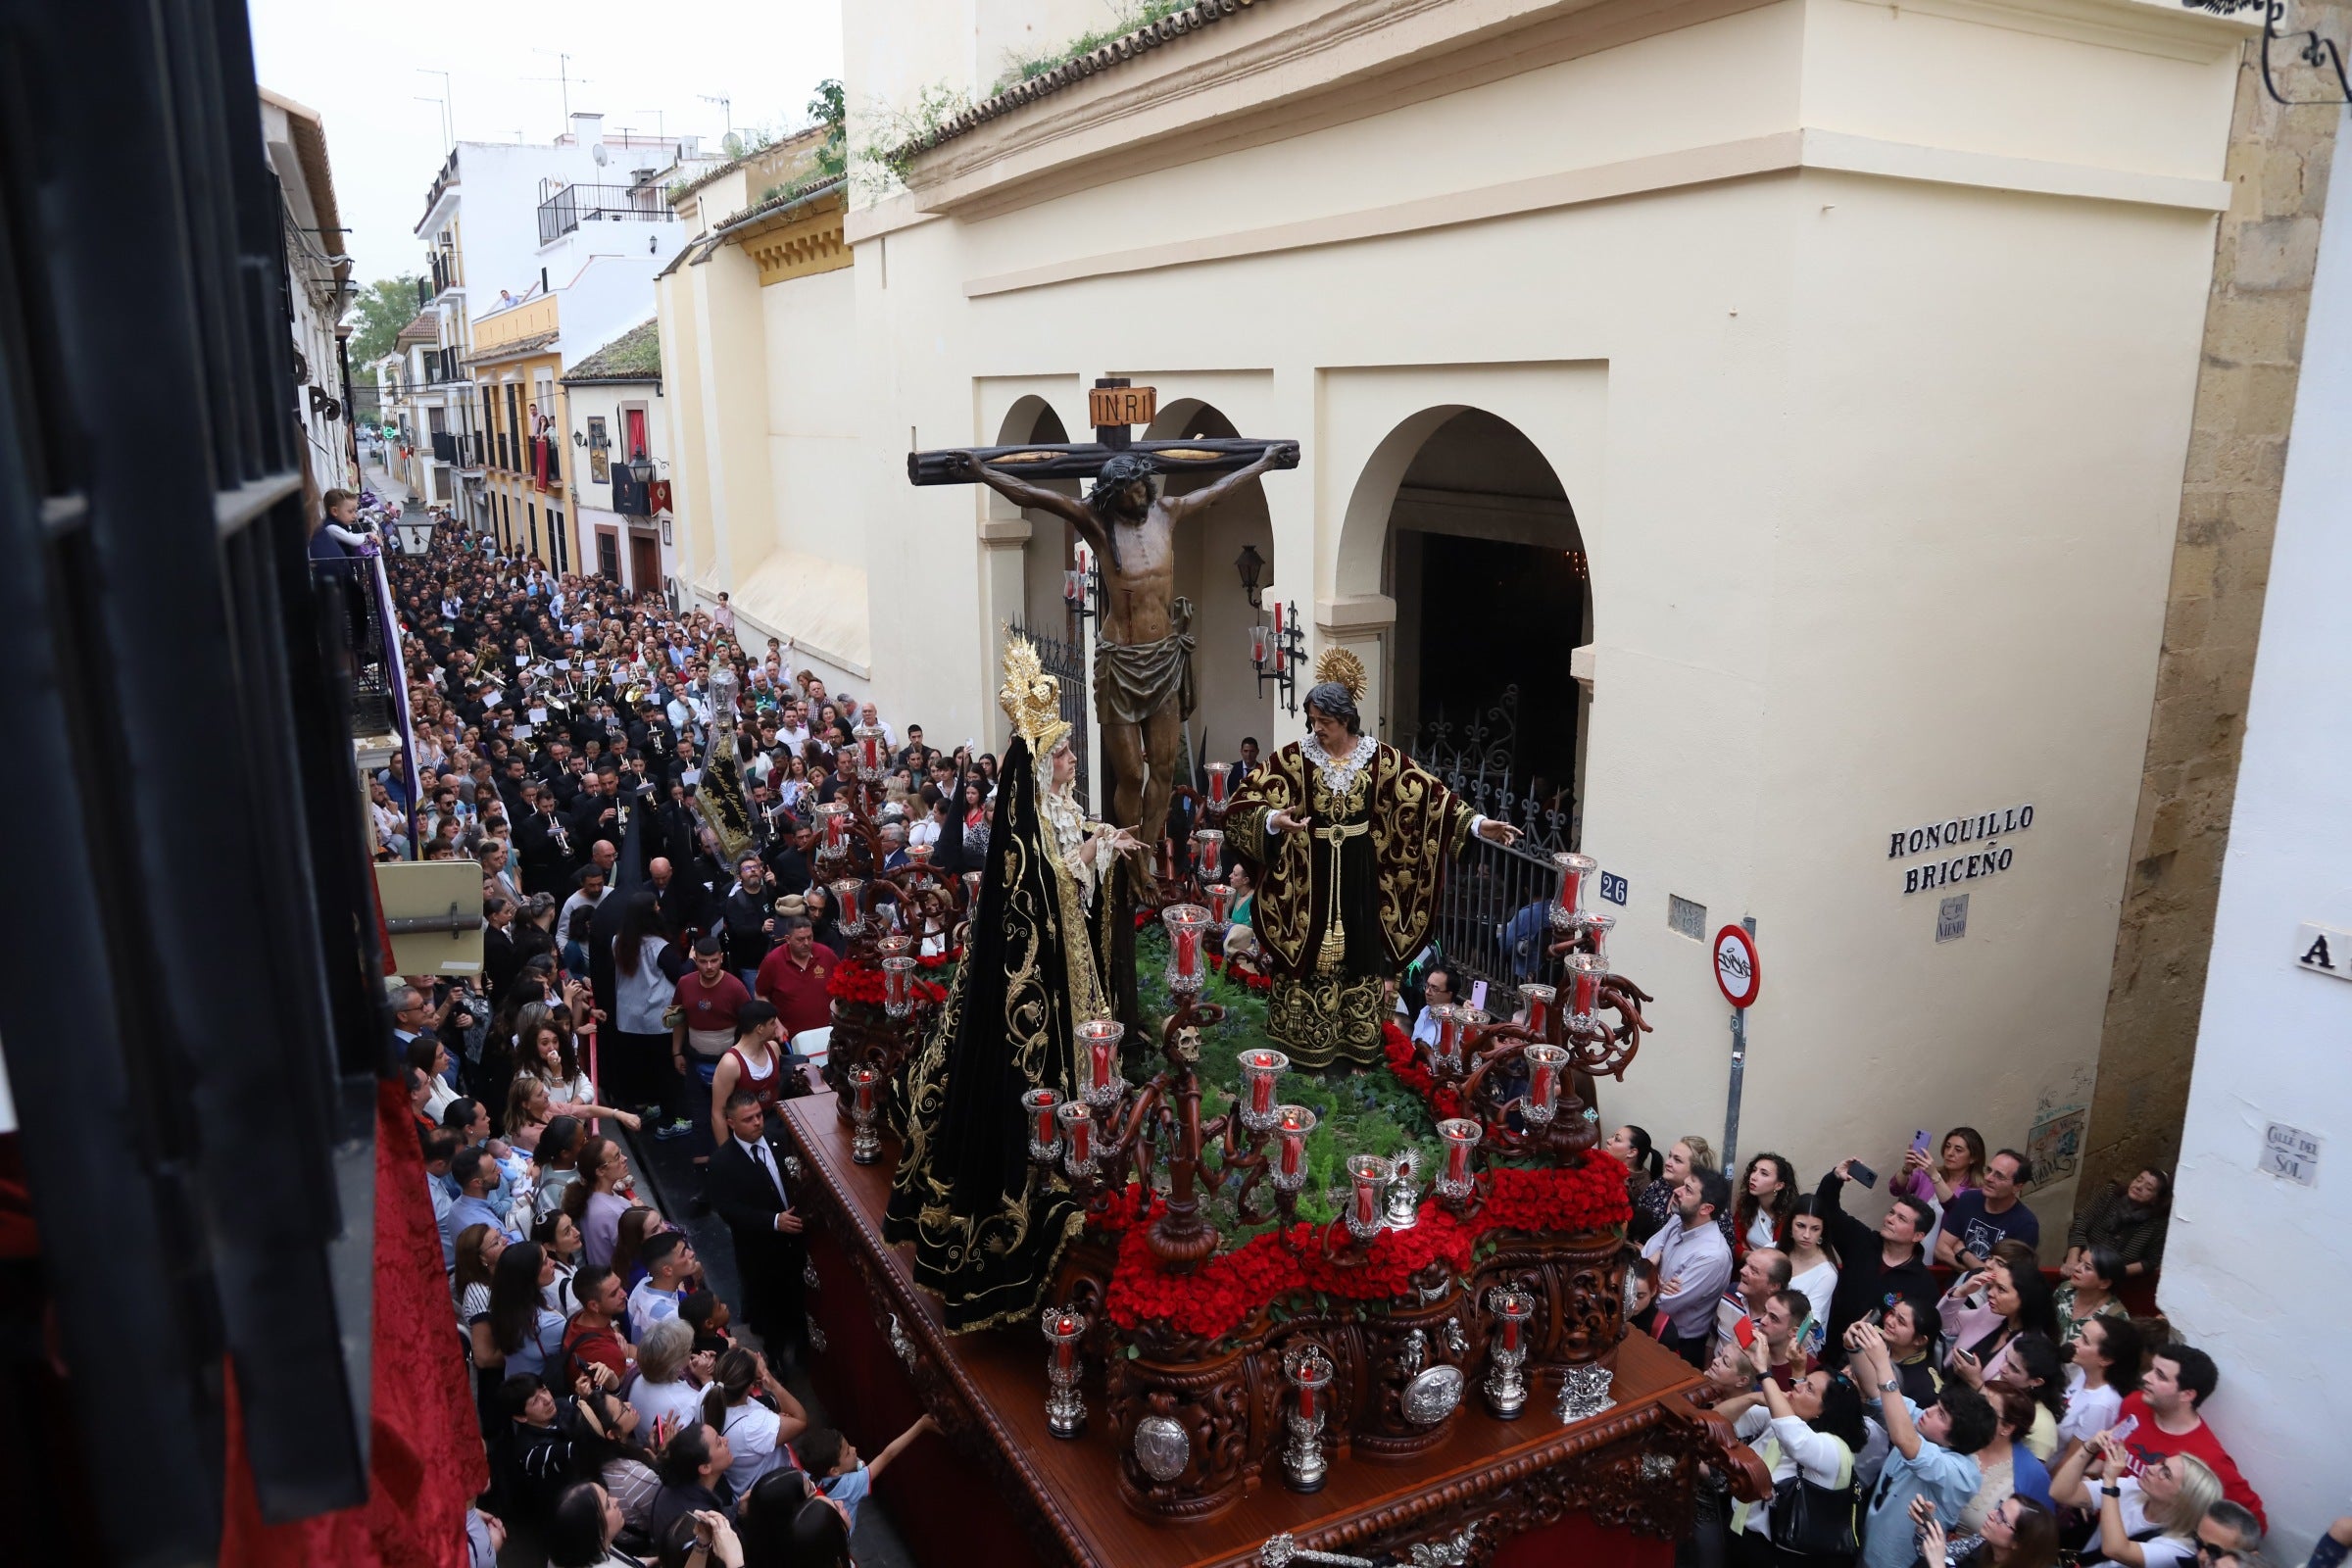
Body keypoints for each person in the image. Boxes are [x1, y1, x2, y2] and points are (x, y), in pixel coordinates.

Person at [884, 638, 1133, 1332]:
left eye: (1070, 751)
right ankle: (1047, 1162)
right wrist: (1094, 850)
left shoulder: (1056, 805)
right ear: (1042, 760)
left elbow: (1074, 851)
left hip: (1069, 963)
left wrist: (1104, 842)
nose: (1074, 760)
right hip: (1033, 977)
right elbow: (1044, 880)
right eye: (1064, 752)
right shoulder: (1018, 823)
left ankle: (1085, 1135)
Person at [1224, 648, 1522, 1068]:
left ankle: (1354, 1046)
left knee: (1359, 954)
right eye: (1312, 721)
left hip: (1360, 876)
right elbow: (1246, 800)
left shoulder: (1380, 759)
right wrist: (1274, 821)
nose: (1317, 729)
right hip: (1309, 874)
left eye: (1324, 722)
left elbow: (1429, 798)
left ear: (1345, 720)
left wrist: (1476, 824)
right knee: (1309, 957)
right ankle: (1301, 1042)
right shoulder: (1295, 758)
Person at [1843, 1320, 1996, 1568]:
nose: (1931, 1411)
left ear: (1957, 1438)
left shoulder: (1960, 1473)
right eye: (1938, 1405)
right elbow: (1876, 1391)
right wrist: (1855, 1349)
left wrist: (1883, 1363)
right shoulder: (1922, 1424)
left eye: (1942, 1415)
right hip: (1865, 1549)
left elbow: (1906, 1443)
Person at [1712, 1343, 1869, 1566]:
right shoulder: (1782, 1417)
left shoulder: (1835, 1450)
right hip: (1740, 1529)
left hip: (1781, 1554)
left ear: (1823, 1411)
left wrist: (1765, 1375)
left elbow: (1794, 1438)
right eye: (1805, 1381)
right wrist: (1751, 1399)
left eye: (1809, 1389)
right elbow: (1716, 1422)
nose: (1798, 1386)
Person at [2111, 1345, 2265, 1529]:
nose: (2146, 1377)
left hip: (2140, 1546)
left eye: (2160, 1376)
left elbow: (2254, 1522)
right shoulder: (2135, 1403)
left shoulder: (2210, 1459)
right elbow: (2113, 1443)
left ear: (2187, 1394)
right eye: (2152, 1369)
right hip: (2101, 1513)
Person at [708, 1092, 809, 1358]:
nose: (757, 1123)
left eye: (758, 1115)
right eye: (748, 1119)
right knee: (769, 1306)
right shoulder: (722, 1163)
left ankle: (804, 1349)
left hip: (795, 1242)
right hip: (759, 1251)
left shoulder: (780, 1141)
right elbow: (729, 1210)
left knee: (800, 1297)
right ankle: (775, 1357)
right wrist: (774, 1221)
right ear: (731, 1123)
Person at [1814, 1157, 1938, 1361]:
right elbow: (1827, 1211)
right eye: (1892, 1213)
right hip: (1828, 1351)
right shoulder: (1862, 1241)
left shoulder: (1923, 1285)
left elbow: (1919, 1342)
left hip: (1872, 1366)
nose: (1890, 1219)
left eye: (1901, 1219)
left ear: (1918, 1236)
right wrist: (1835, 1178)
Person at [2049, 1436, 2223, 1568]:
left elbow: (2115, 1549)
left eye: (2166, 1473)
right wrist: (2088, 1448)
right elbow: (2060, 1493)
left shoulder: (2179, 1547)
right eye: (2161, 1464)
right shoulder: (2134, 1489)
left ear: (2182, 1500)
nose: (2151, 1468)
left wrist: (2110, 1481)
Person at [1640, 1167, 1736, 1367]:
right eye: (1683, 1185)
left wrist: (1650, 1278)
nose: (1677, 1191)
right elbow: (1642, 1261)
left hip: (1679, 1345)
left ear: (1706, 1209)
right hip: (1648, 1322)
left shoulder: (1712, 1256)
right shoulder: (1678, 1220)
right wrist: (1654, 1277)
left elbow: (1664, 1303)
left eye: (1688, 1190)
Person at [672, 937, 753, 1157]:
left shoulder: (736, 987)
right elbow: (677, 1020)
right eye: (703, 961)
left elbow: (749, 1025)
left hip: (728, 1064)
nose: (709, 967)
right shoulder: (684, 983)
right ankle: (703, 1170)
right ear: (694, 959)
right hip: (694, 1060)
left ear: (722, 959)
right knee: (699, 1118)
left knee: (731, 1115)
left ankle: (733, 1162)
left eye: (714, 961)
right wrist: (676, 1051)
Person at [800, 1415, 939, 1534]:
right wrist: (921, 1424)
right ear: (834, 1471)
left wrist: (858, 1465)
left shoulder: (809, 1473)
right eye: (848, 1453)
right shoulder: (850, 1486)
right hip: (840, 1540)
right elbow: (888, 1455)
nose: (854, 1449)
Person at [705, 1347, 810, 1497]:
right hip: (772, 1494)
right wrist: (771, 1381)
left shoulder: (710, 1394)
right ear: (751, 1385)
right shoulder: (753, 1426)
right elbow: (801, 1420)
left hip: (744, 1483)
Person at [1950, 1383, 2053, 1533]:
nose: (1973, 1412)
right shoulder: (1956, 1434)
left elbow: (2036, 1537)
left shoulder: (2032, 1475)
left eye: (1985, 1410)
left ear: (2007, 1428)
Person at [611, 893, 676, 1122]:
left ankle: (645, 1108)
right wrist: (690, 958)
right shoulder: (660, 946)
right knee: (665, 1071)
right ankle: (670, 1120)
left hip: (628, 1018)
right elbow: (679, 974)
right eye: (656, 908)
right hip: (657, 1019)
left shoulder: (617, 941)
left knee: (640, 1069)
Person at [2055, 1314, 2141, 1468]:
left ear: (2106, 1360)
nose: (2075, 1343)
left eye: (2085, 1341)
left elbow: (2071, 1462)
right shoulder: (2086, 1372)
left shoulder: (2101, 1404)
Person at [1936, 1151, 2040, 1273]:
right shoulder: (1968, 1199)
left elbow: (2004, 1277)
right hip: (1956, 1287)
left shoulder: (2026, 1224)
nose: (1988, 1178)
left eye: (1999, 1176)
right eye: (1989, 1170)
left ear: (2017, 1187)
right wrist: (1972, 1273)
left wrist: (1963, 1252)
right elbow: (1940, 1250)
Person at [2064, 1168, 2172, 1279]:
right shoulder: (2110, 1194)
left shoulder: (2158, 1223)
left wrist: (2111, 1274)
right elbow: (2080, 1224)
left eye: (2148, 1188)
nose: (2139, 1187)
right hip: (2080, 1267)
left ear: (2156, 1198)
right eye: (2138, 1180)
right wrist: (2072, 1261)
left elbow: (2151, 1261)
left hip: (2116, 1279)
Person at [752, 915, 838, 1043]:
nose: (806, 943)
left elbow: (842, 986)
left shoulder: (826, 954)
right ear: (787, 939)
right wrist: (775, 1023)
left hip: (826, 1035)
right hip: (790, 1039)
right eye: (800, 939)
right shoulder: (772, 961)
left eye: (810, 937)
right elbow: (760, 995)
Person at [1914, 1494, 2061, 1568]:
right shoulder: (1982, 1542)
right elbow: (1934, 1554)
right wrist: (1926, 1523)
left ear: (2018, 1543)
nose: (1991, 1513)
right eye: (1999, 1509)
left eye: (2001, 1517)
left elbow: (1937, 1561)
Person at [649, 1421, 737, 1542]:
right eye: (719, 1443)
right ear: (705, 1467)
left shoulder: (675, 1481)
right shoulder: (701, 1522)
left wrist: (738, 1509)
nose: (725, 1440)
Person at [629, 1318, 710, 1440]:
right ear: (675, 1365)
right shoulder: (691, 1404)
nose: (692, 1350)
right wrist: (706, 1379)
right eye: (690, 1348)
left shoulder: (634, 1374)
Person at [1634, 1134, 1719, 1246]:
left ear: (1696, 1170)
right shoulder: (1661, 1184)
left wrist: (1649, 1254)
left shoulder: (1708, 1202)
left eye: (1677, 1160)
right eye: (1670, 1156)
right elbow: (1637, 1214)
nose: (1668, 1163)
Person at [567, 1135, 638, 1269]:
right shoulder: (611, 1213)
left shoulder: (590, 1194)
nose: (625, 1158)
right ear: (600, 1171)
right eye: (617, 1157)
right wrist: (641, 1211)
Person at [563, 1264, 638, 1385]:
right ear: (594, 1306)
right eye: (614, 1294)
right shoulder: (602, 1352)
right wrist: (627, 1359)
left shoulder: (578, 1318)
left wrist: (614, 1328)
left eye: (620, 1286)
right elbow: (623, 1390)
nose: (623, 1294)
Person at [1786, 1196, 1840, 1351]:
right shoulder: (1773, 1249)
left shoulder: (1827, 1274)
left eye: (1815, 1229)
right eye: (1801, 1226)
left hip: (1800, 1343)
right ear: (1790, 1225)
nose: (1807, 1235)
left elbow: (1808, 1322)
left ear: (1823, 1231)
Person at [2051, 1246, 2132, 1348]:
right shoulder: (2066, 1289)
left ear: (2105, 1283)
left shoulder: (2116, 1317)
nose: (2077, 1268)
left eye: (2087, 1268)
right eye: (2080, 1261)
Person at [627, 1231, 699, 1342]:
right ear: (667, 1270)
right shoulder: (670, 1317)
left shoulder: (642, 1284)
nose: (692, 1253)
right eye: (684, 1253)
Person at [1735, 1152, 1799, 1256]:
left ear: (1778, 1185)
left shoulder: (1792, 1216)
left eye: (1764, 1174)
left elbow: (1787, 1256)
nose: (1753, 1177)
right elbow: (1734, 1243)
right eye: (1754, 1170)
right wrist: (1749, 1255)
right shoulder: (1745, 1204)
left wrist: (1748, 1253)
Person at [1607, 1123, 1667, 1223]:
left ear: (1631, 1152)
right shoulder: (1613, 1167)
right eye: (1612, 1137)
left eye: (1617, 1139)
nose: (1608, 1141)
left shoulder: (1628, 1184)